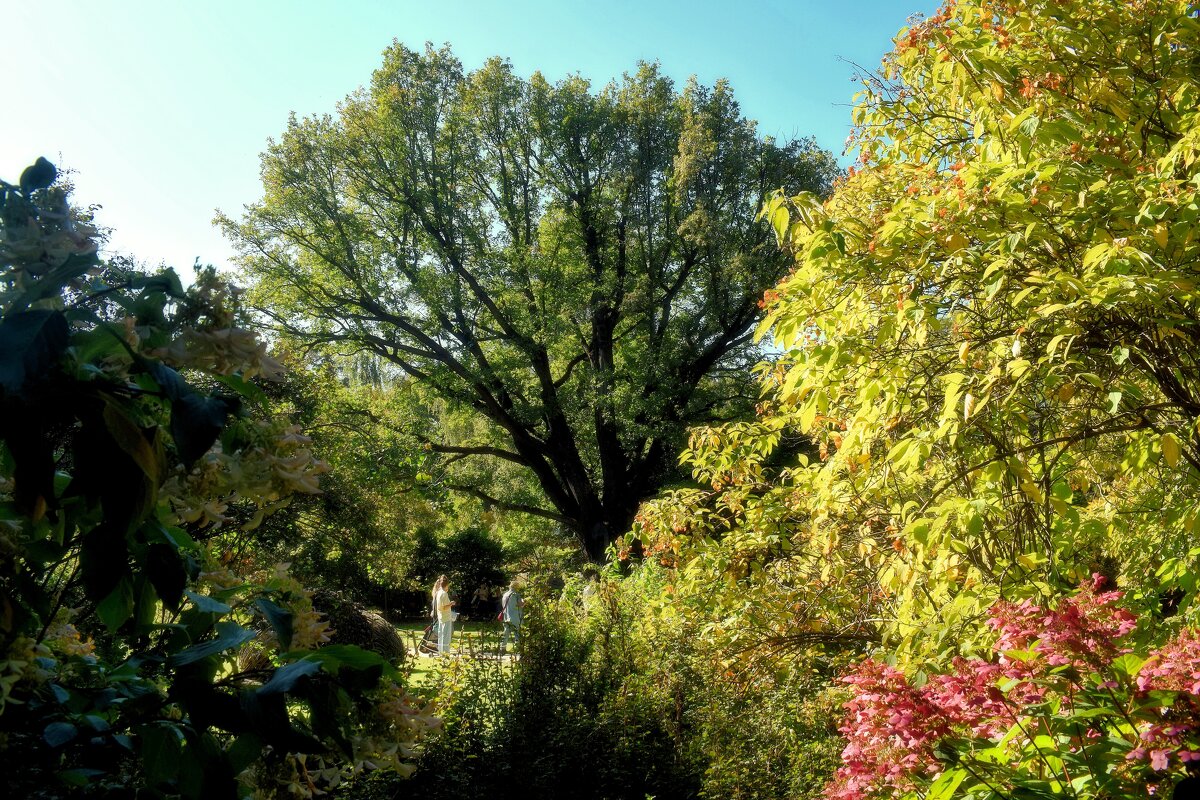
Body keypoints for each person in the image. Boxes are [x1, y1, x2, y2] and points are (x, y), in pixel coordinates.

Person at [431, 575, 455, 655]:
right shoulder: (444, 594)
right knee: (446, 636)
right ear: (447, 584)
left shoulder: (438, 593)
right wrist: (451, 603)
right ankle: (445, 653)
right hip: (446, 617)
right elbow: (444, 607)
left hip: (441, 617)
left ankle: (441, 652)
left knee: (441, 635)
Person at [499, 581, 524, 654]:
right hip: (515, 616)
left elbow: (503, 605)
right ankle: (518, 649)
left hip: (506, 616)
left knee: (506, 633)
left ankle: (502, 648)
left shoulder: (505, 595)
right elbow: (520, 604)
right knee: (517, 634)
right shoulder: (516, 594)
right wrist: (524, 601)